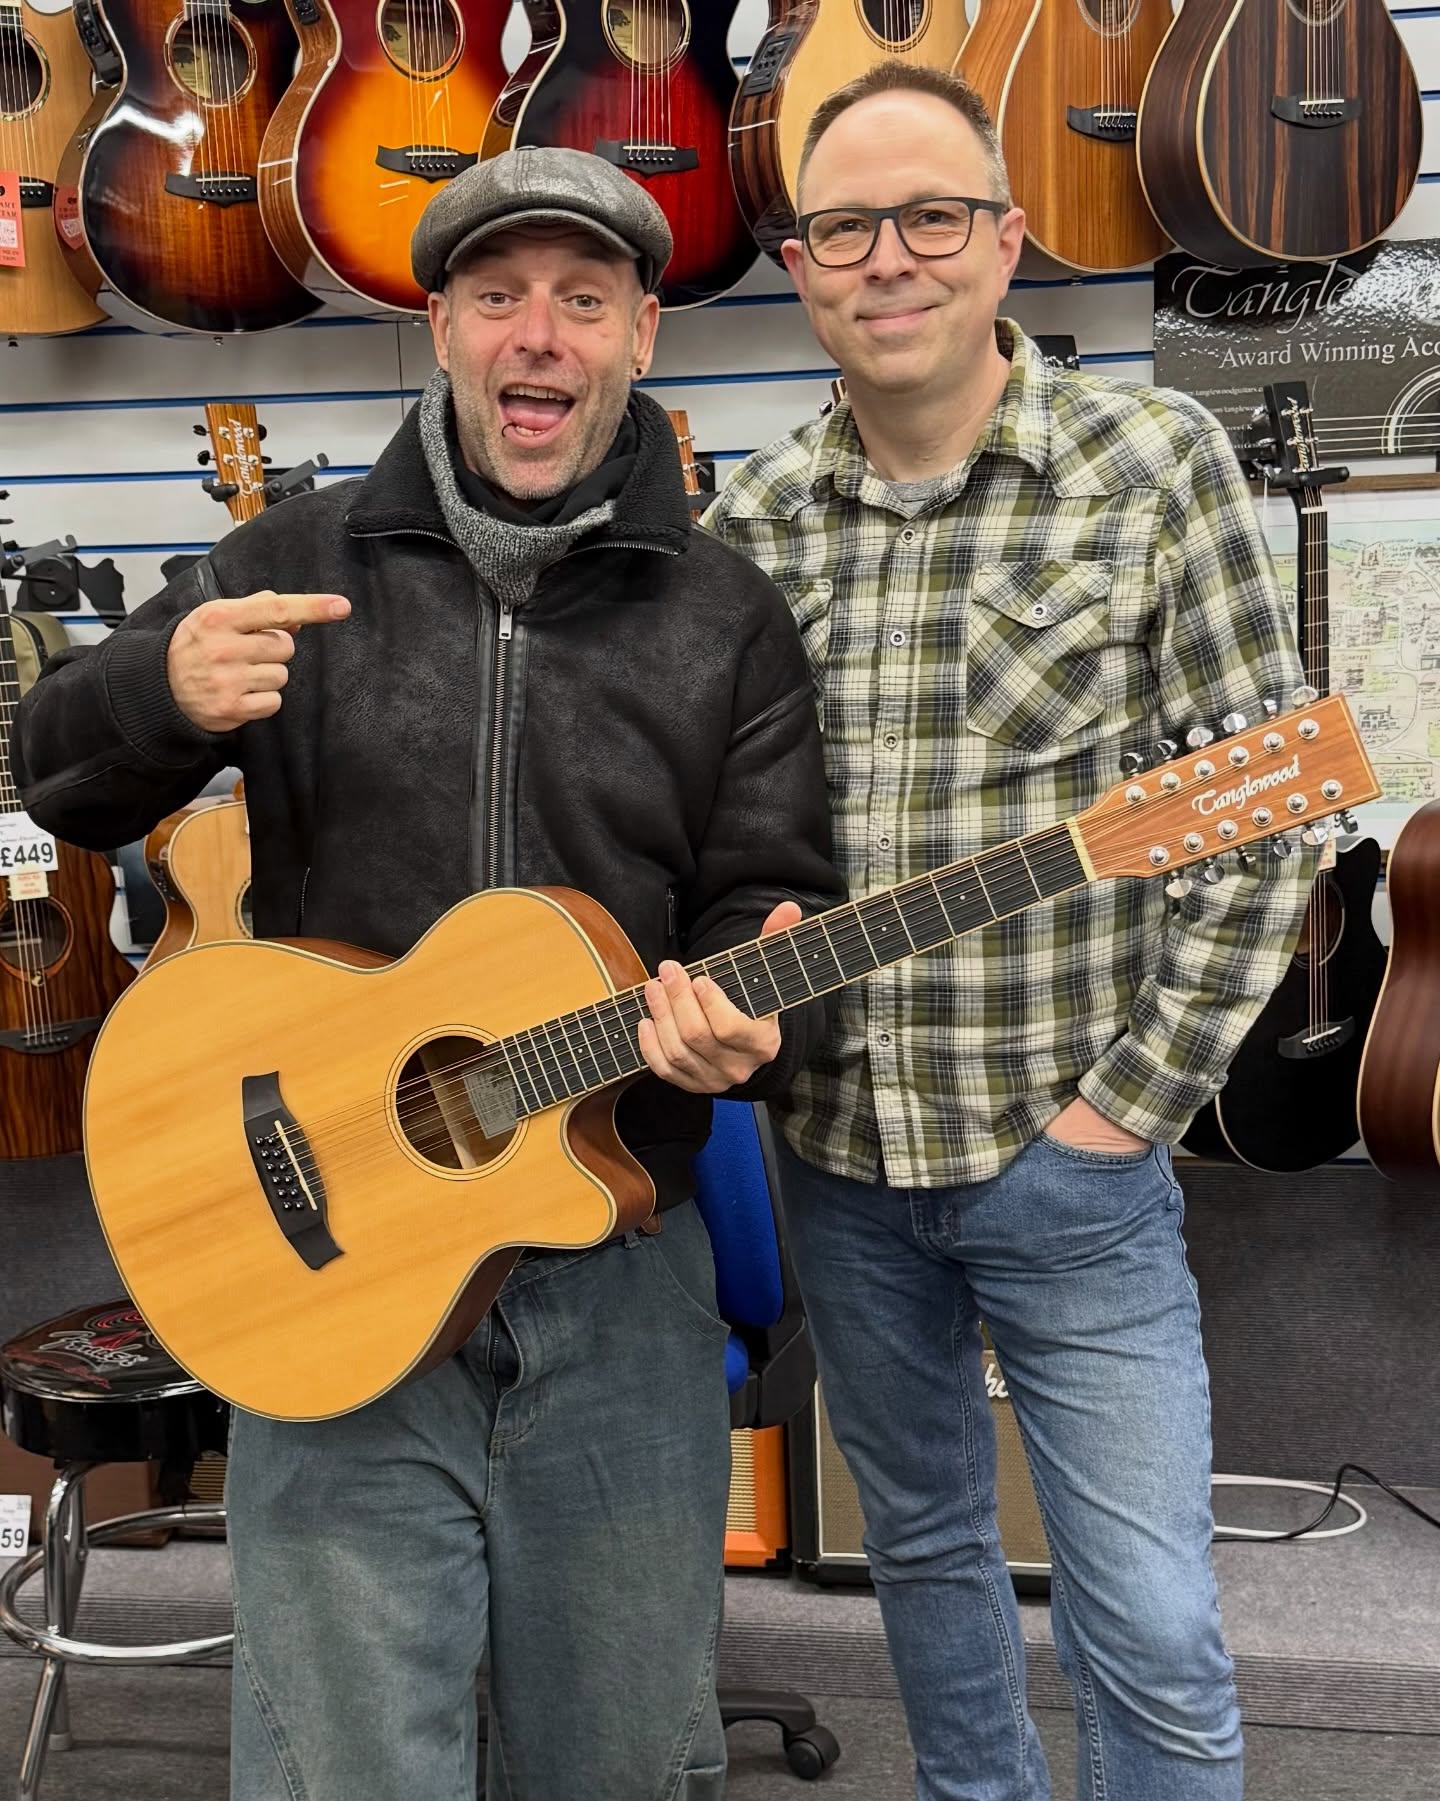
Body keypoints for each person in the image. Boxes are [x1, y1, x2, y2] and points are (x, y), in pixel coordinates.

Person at [15, 147, 844, 1801]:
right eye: (496, 297)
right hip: (326, 1260)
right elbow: (59, 778)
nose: (538, 336)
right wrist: (159, 693)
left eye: (583, 301)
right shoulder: (288, 563)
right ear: (444, 328)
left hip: (613, 1271)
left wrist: (756, 1007)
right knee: (339, 1768)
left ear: (641, 342)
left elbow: (776, 903)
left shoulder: (730, 617)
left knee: (616, 1758)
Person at [704, 61, 1315, 1801]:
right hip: (838, 1159)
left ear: (1007, 238)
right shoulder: (753, 520)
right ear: (800, 264)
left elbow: (1263, 819)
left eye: (931, 217)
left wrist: (1124, 1105)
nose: (887, 258)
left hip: (1072, 1158)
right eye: (841, 227)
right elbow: (727, 847)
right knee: (927, 1574)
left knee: (1154, 1627)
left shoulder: (1150, 465)